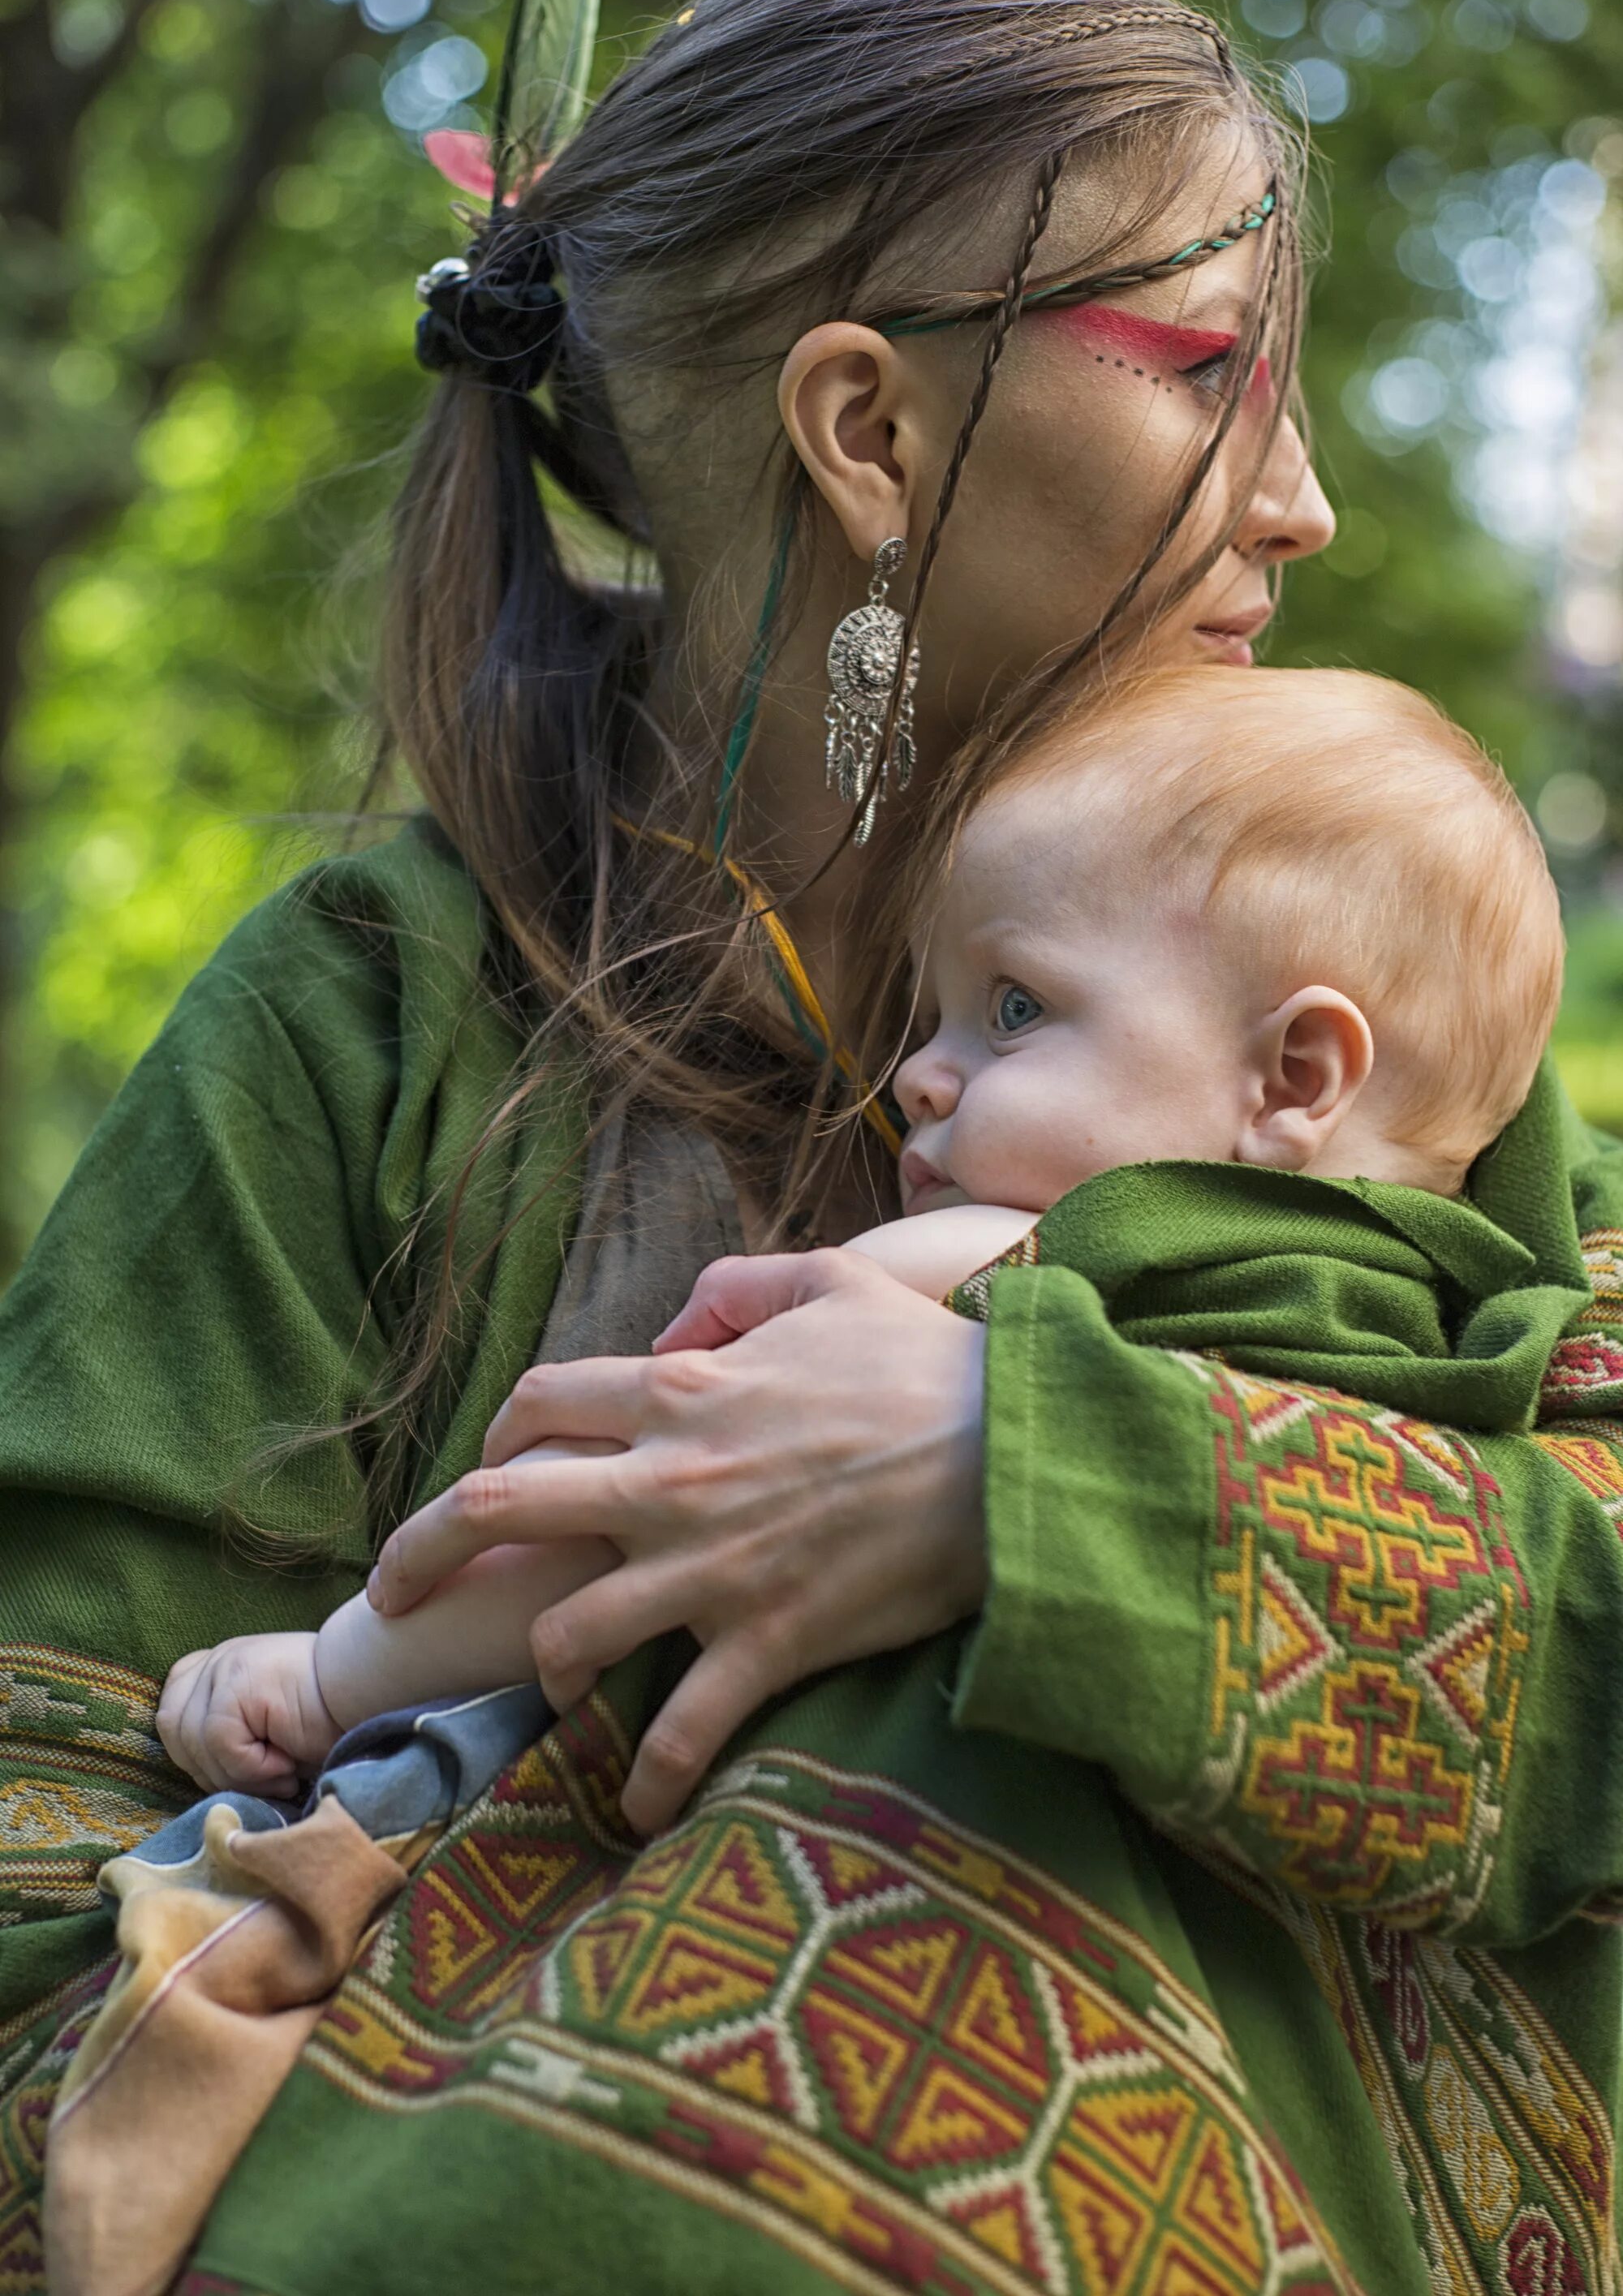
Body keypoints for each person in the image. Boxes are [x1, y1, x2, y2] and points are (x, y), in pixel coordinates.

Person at [4, 0, 1621, 2296]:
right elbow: (40, 1825)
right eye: (1206, 375)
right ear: (867, 429)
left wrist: (1029, 1495)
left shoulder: (1333, 966)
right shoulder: (370, 1017)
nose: (1305, 505)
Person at [153, 663, 1570, 1798]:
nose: (921, 1076)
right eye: (935, 1012)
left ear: (1295, 1079)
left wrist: (332, 1674)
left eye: (1014, 1007)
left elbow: (625, 1507)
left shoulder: (993, 1263)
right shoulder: (1487, 1318)